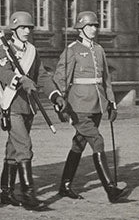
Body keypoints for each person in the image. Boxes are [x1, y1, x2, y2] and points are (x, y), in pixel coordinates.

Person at [48, 10, 127, 203]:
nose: (94, 29)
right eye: (90, 25)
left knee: (79, 143)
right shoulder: (72, 50)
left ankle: (65, 186)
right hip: (79, 106)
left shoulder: (99, 50)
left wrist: (111, 103)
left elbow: (106, 79)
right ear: (81, 28)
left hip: (97, 104)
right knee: (97, 141)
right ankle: (110, 189)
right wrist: (59, 102)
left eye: (95, 25)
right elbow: (60, 78)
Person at [0, 10, 46, 210]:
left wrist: (55, 94)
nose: (27, 31)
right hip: (11, 105)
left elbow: (41, 75)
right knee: (24, 147)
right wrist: (22, 79)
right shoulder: (4, 50)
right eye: (23, 28)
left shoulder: (32, 50)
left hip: (28, 106)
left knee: (14, 148)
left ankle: (6, 192)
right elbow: (3, 73)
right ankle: (28, 195)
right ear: (14, 29)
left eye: (29, 28)